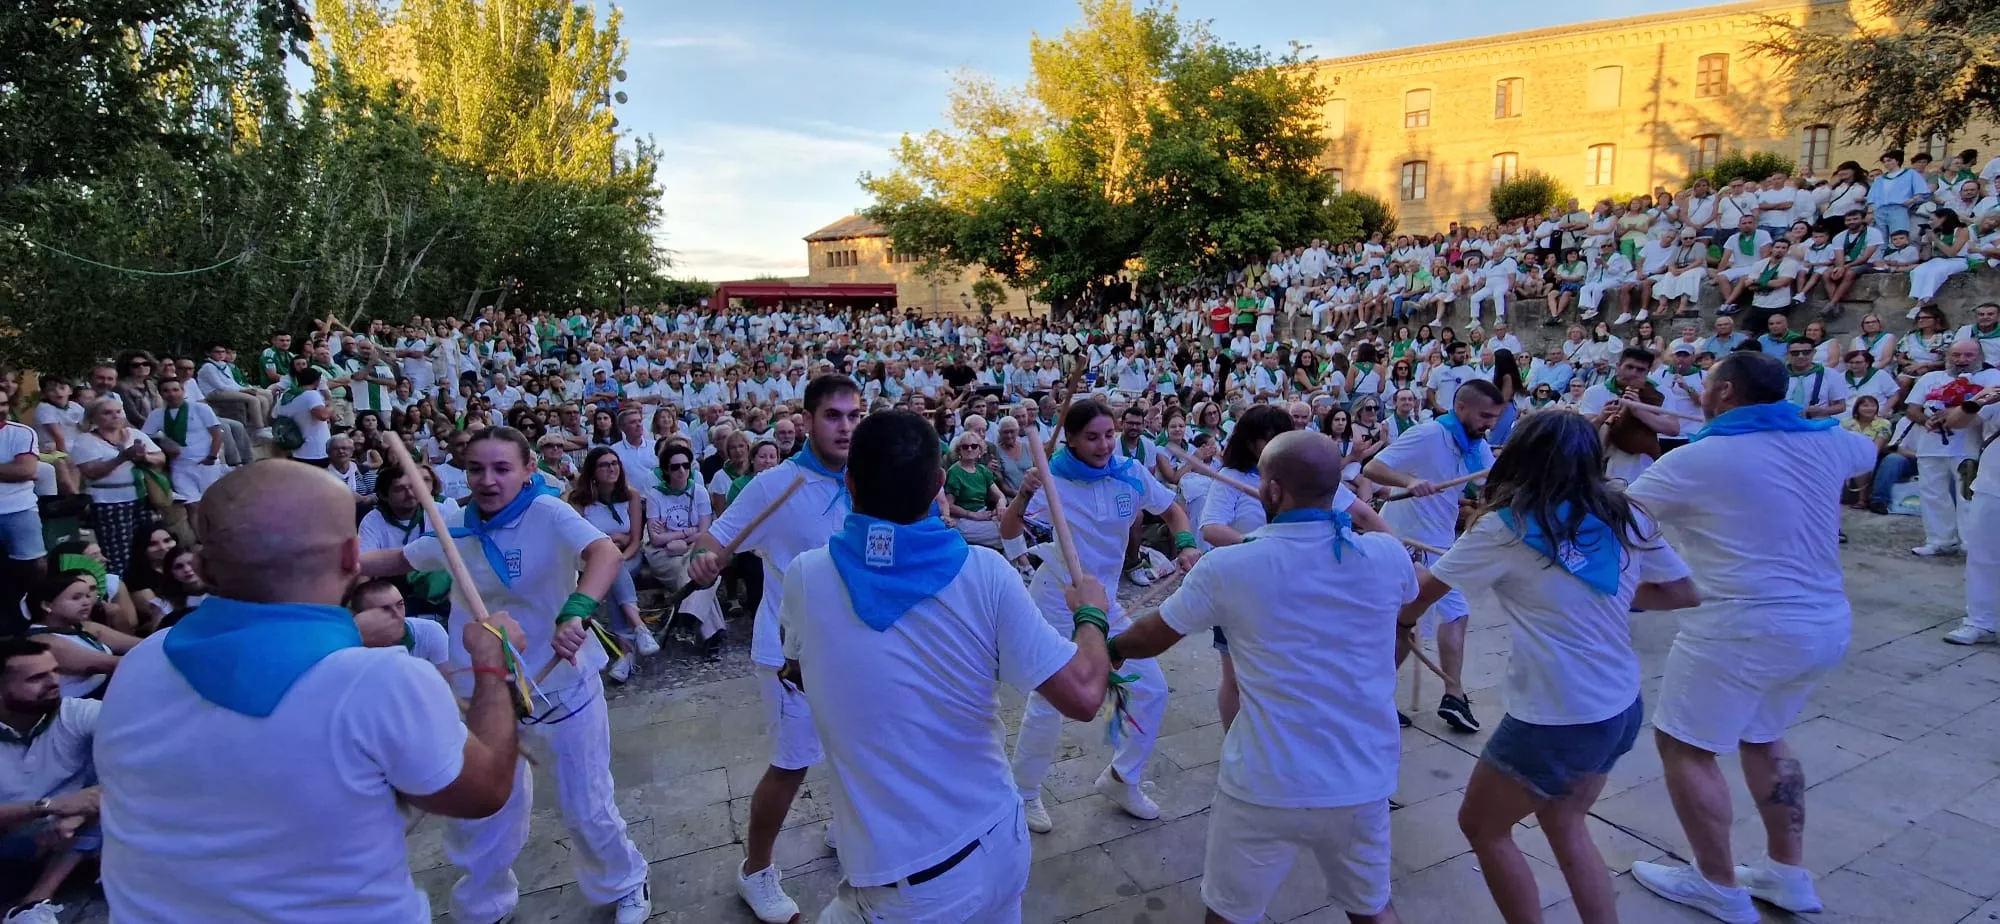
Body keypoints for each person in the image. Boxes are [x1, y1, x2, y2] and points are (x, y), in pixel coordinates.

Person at [94, 461, 527, 921]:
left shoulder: (140, 663)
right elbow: (484, 793)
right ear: (350, 557)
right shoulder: (380, 683)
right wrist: (490, 665)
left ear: (200, 567)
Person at [780, 409, 1112, 923]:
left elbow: (802, 666)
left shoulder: (805, 577)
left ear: (848, 482)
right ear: (940, 483)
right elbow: (1086, 694)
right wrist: (1091, 614)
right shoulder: (988, 575)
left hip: (906, 886)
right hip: (997, 843)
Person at [1107, 431, 1415, 924]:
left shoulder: (1230, 567)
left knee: (1229, 915)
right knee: (1372, 909)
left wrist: (1109, 644)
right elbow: (1401, 617)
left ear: (1272, 492)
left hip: (1265, 783)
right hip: (1362, 776)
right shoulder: (1387, 555)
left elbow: (1150, 637)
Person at [1405, 412, 1699, 924]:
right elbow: (1682, 591)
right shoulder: (1626, 513)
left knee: (1482, 826)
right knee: (1565, 823)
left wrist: (1401, 614)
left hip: (1556, 717)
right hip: (1619, 706)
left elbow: (1424, 595)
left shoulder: (1505, 527)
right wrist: (1607, 599)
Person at [1623, 352, 1878, 923]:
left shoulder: (1702, 457)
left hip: (1742, 627)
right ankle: (1787, 873)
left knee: (1686, 747)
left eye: (1707, 384)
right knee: (1765, 736)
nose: (1701, 394)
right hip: (1822, 623)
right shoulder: (1828, 443)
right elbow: (1867, 450)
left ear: (1726, 392)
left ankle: (1716, 882)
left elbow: (1621, 517)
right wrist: (1809, 425)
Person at [360, 430, 652, 923]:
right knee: (487, 810)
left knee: (585, 804)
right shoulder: (453, 523)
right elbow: (398, 560)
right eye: (477, 469)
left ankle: (625, 882)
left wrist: (576, 612)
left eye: (501, 468)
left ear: (526, 468)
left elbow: (603, 554)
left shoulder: (549, 512)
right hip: (486, 687)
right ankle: (484, 905)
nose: (488, 480)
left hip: (559, 678)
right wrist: (330, 561)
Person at [685, 375, 863, 924]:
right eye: (834, 416)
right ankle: (755, 871)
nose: (846, 427)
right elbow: (712, 542)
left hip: (853, 647)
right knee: (790, 766)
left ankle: (850, 835)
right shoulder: (775, 485)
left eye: (855, 416)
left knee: (855, 751)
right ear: (807, 421)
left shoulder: (867, 479)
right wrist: (704, 560)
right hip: (788, 653)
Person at [1001, 398, 1202, 837]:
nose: (1104, 444)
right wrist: (1024, 493)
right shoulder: (1050, 479)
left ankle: (1121, 777)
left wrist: (1185, 542)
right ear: (1070, 438)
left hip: (1107, 603)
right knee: (1051, 698)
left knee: (1150, 688)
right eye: (1092, 437)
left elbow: (1172, 510)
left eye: (1109, 434)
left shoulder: (1130, 471)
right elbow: (1009, 531)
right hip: (1059, 598)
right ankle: (1025, 790)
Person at [1363, 379, 1504, 732]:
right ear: (1461, 409)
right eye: (1485, 415)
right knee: (1407, 624)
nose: (1490, 423)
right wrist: (1409, 482)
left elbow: (1490, 486)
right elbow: (1373, 468)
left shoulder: (1476, 445)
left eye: (1495, 417)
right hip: (1407, 543)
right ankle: (1373, 697)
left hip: (1442, 543)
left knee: (1447, 615)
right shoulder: (1429, 434)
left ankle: (1450, 696)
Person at [0, 638, 103, 924]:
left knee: (116, 794)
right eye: (36, 678)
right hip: (10, 835)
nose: (53, 682)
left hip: (68, 837)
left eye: (54, 671)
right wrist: (50, 807)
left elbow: (146, 761)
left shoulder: (75, 712)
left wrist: (81, 812)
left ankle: (33, 903)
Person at [1906, 339, 2000, 556]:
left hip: (1967, 446)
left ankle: (1971, 542)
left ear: (1980, 357)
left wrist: (1951, 414)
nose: (1962, 361)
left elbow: (1983, 412)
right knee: (1932, 494)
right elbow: (1912, 408)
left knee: (1967, 496)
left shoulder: (1991, 378)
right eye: (1957, 355)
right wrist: (1925, 420)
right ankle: (1940, 540)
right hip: (1930, 444)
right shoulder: (1931, 378)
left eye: (1969, 355)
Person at [67, 398, 164, 574]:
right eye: (107, 413)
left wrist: (145, 458)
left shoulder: (135, 434)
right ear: (94, 418)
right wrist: (122, 458)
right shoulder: (85, 440)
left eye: (118, 412)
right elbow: (91, 471)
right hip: (108, 502)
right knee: (118, 552)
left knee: (148, 545)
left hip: (141, 497)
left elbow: (160, 457)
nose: (115, 416)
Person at [1942, 383, 2000, 645]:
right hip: (1991, 487)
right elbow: (1955, 422)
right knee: (1983, 557)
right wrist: (1976, 401)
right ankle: (1980, 622)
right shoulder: (1995, 394)